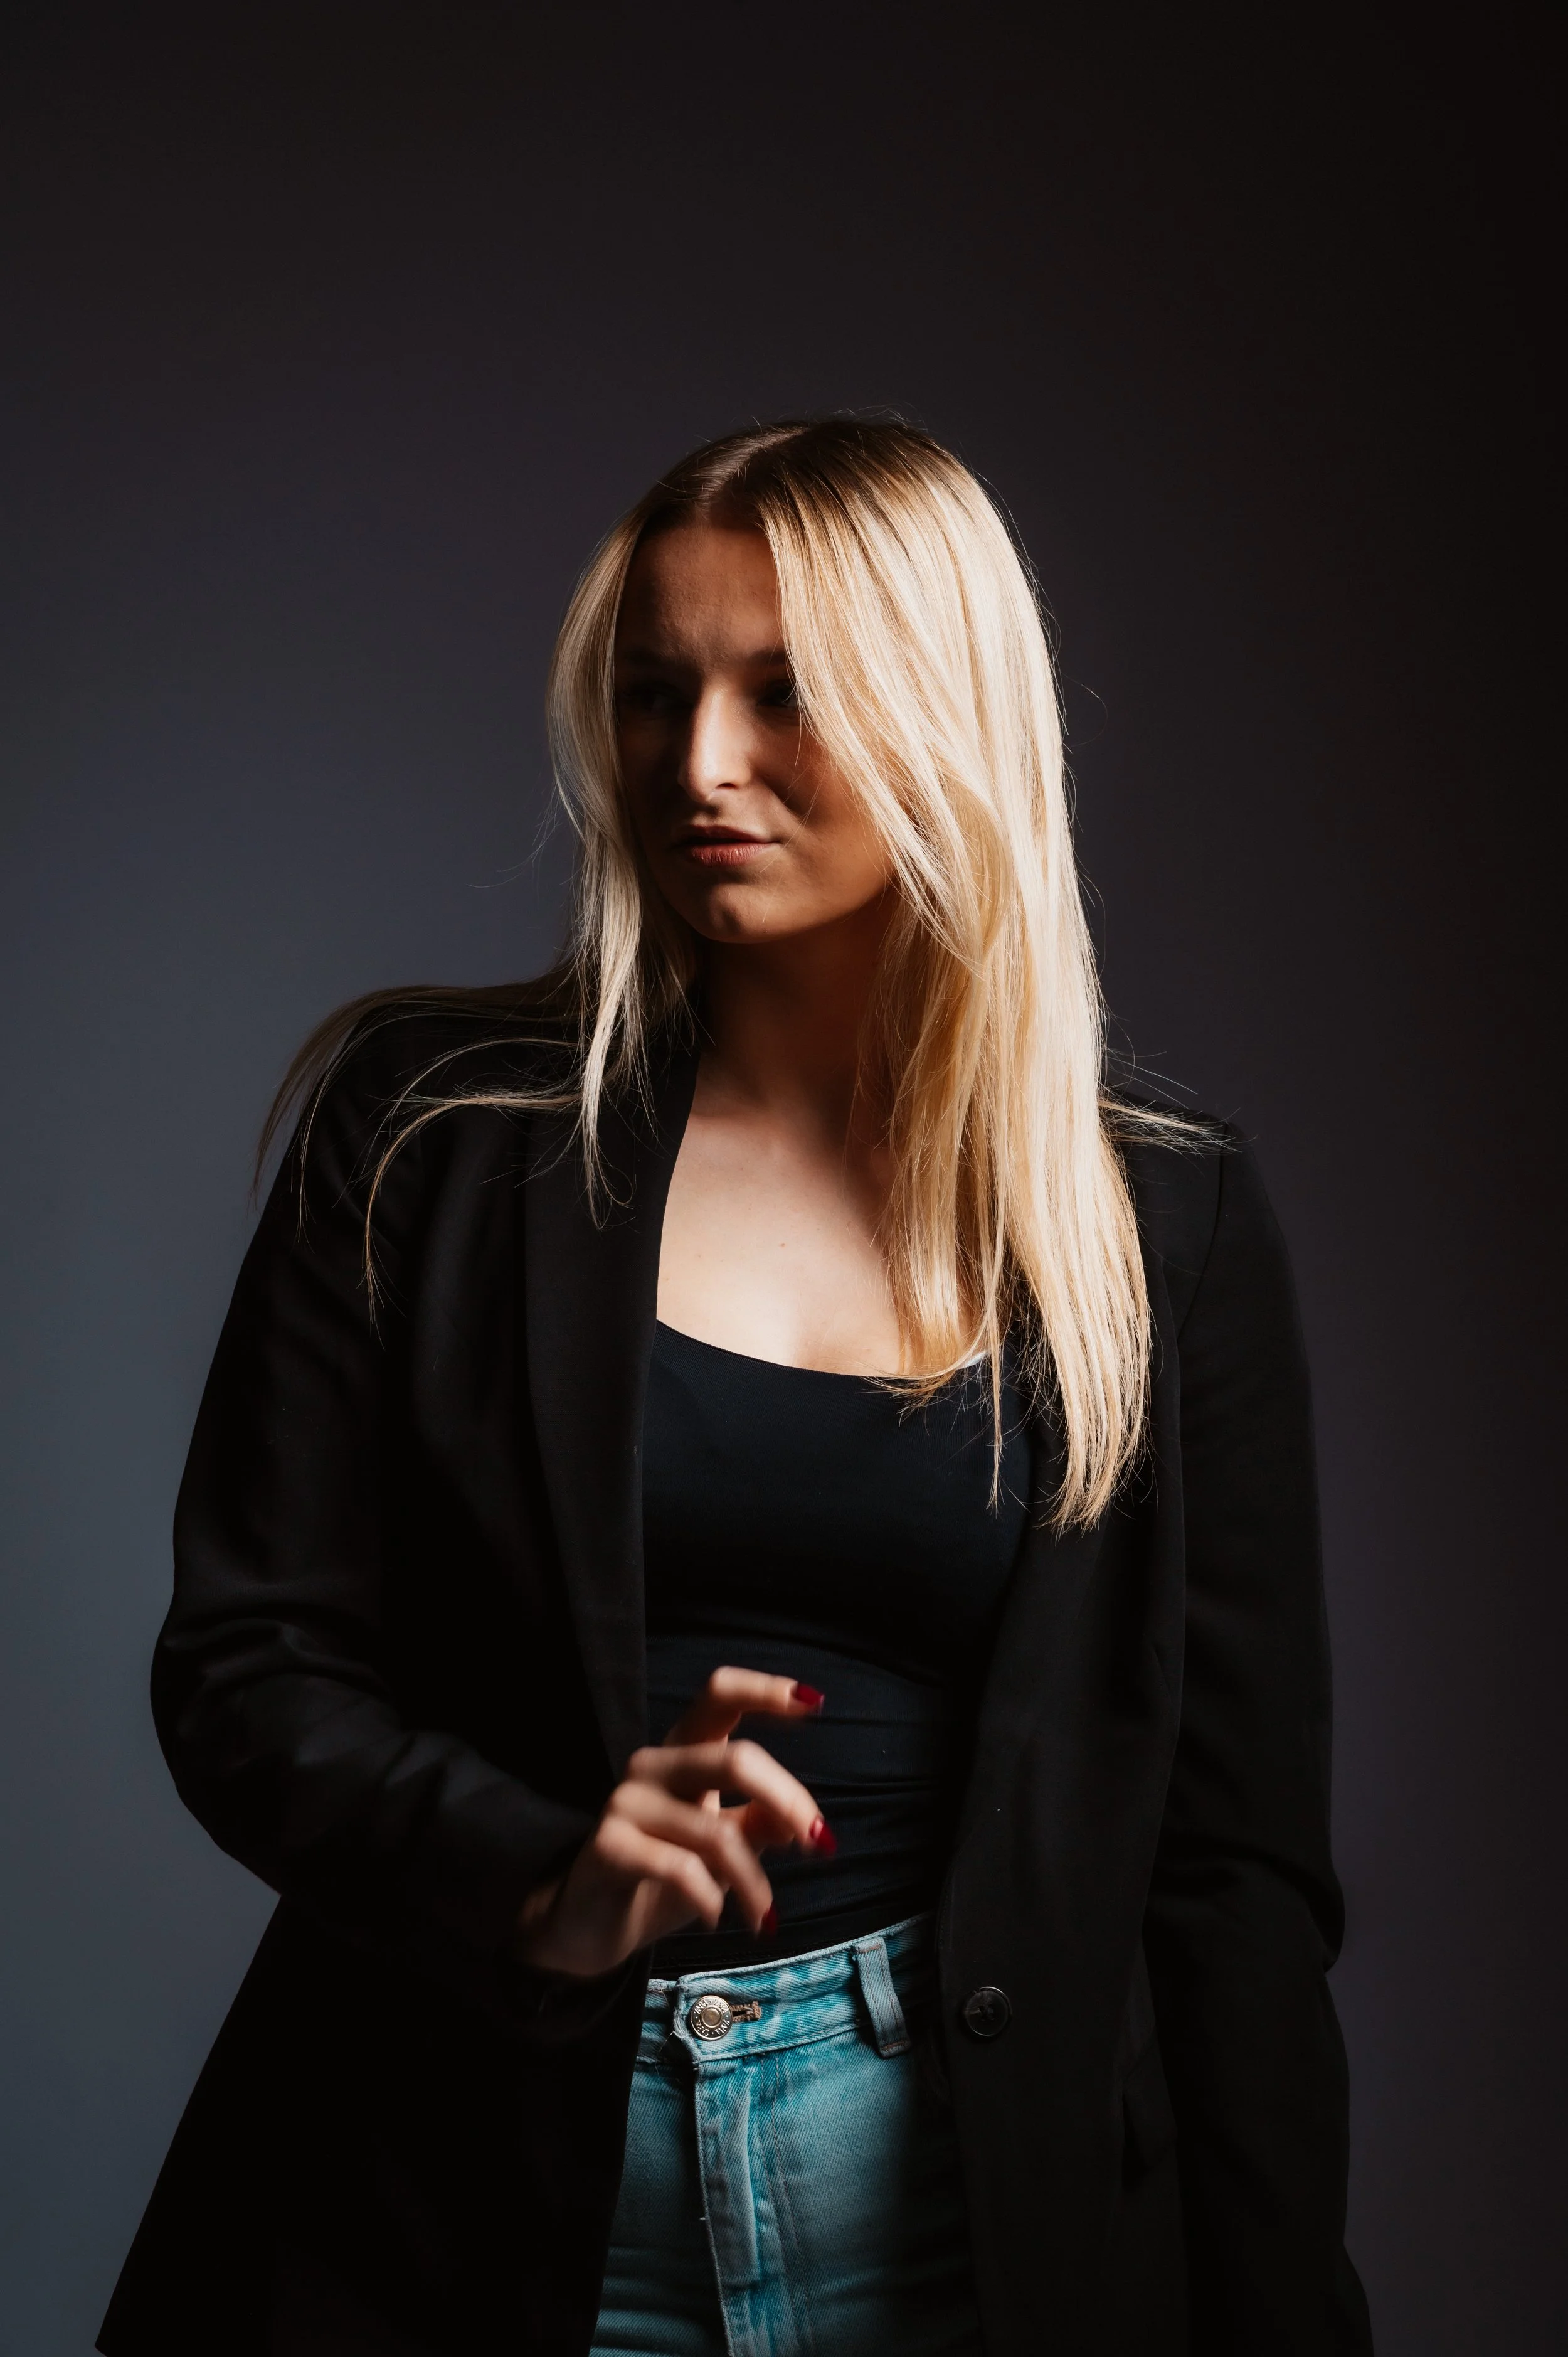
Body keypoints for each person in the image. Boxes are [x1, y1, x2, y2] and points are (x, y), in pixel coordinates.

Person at [98, 417, 1372, 2357]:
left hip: (967, 2211)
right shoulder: (436, 1131)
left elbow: (1234, 1880)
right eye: (650, 693)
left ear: (945, 711)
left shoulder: (1156, 1217)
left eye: (786, 694)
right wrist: (540, 1867)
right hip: (457, 2177)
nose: (698, 764)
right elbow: (244, 1666)